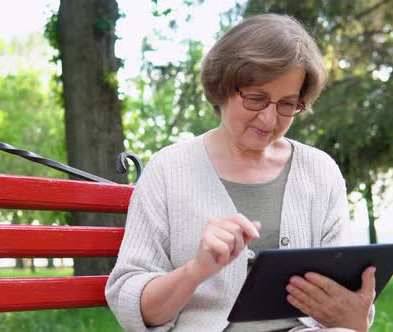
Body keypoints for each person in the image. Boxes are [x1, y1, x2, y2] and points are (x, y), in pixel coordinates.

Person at [105, 13, 376, 332]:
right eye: (256, 99)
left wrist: (356, 316)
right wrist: (196, 271)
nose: (269, 119)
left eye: (287, 104)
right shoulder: (168, 171)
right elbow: (133, 308)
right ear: (221, 87)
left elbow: (346, 301)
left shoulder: (320, 171)